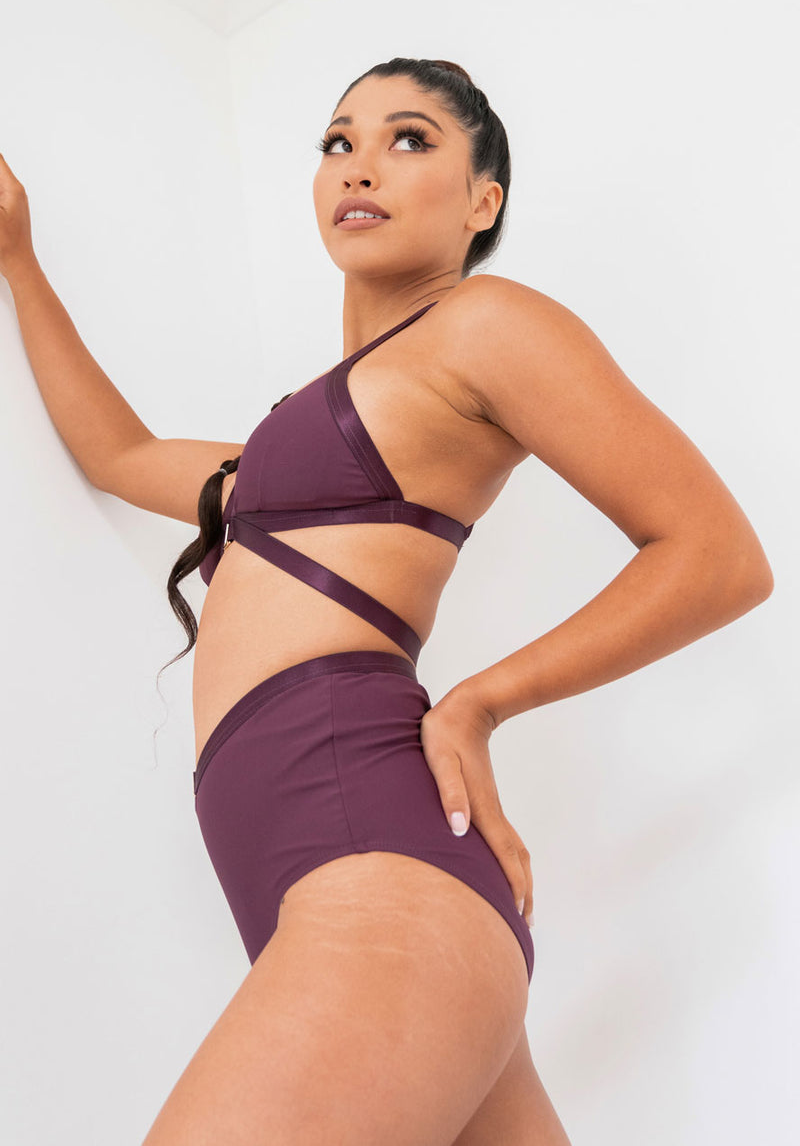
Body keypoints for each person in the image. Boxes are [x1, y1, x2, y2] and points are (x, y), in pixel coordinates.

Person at [0, 56, 773, 1146]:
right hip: (339, 894)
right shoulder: (281, 453)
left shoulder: (482, 323)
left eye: (409, 138)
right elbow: (118, 454)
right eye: (338, 141)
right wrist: (19, 255)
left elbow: (716, 555)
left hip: (373, 863)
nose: (360, 163)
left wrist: (479, 702)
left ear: (482, 201)